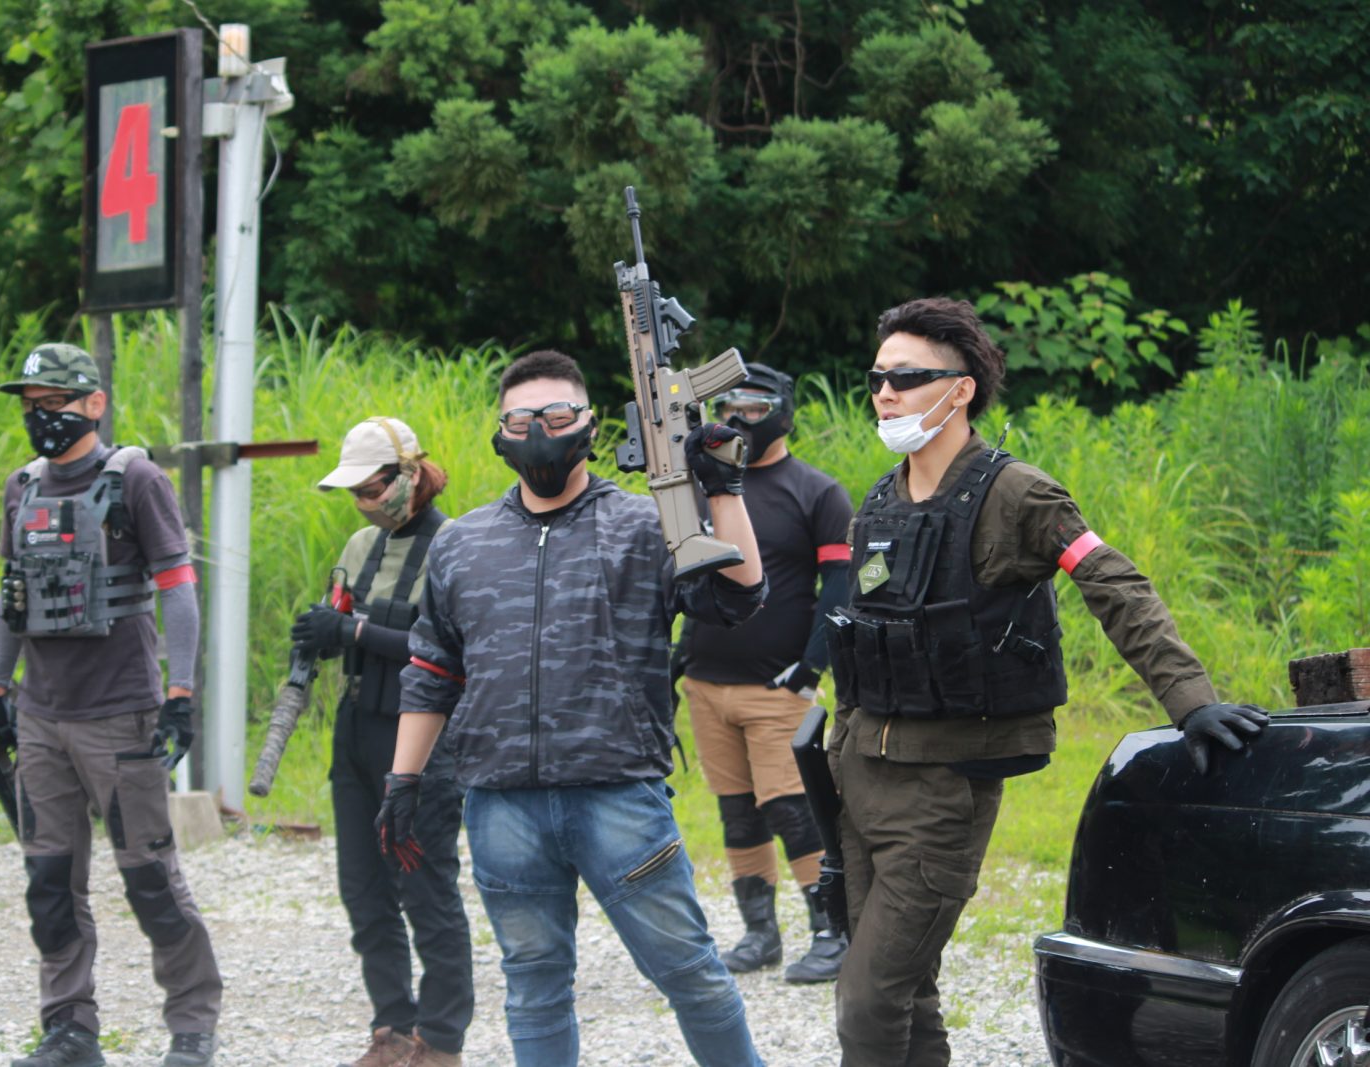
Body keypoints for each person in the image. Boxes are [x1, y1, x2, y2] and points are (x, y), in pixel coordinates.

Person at [825, 298, 1271, 1067]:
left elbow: (1115, 585)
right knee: (903, 989)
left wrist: (1191, 701)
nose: (885, 393)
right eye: (877, 378)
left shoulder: (1017, 496)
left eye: (905, 376)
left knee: (866, 1002)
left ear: (961, 389)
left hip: (943, 790)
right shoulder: (879, 500)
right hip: (862, 774)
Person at [375, 350, 770, 1067]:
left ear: (590, 425)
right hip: (500, 805)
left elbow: (737, 599)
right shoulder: (462, 543)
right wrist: (403, 779)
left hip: (618, 796)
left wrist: (725, 490)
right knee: (533, 988)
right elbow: (432, 670)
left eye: (557, 416)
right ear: (500, 432)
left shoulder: (645, 524)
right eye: (521, 419)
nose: (539, 432)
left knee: (691, 975)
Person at [0, 343, 221, 1067]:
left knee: (149, 878)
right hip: (42, 717)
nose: (40, 416)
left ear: (94, 404)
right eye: (31, 405)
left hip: (121, 716)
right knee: (50, 884)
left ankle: (192, 1026)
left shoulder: (136, 479)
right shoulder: (21, 488)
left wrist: (180, 693)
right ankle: (69, 1029)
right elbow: (9, 596)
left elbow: (178, 585)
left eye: (53, 402)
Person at [293, 418, 473, 1067]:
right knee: (364, 893)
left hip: (421, 738)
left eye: (373, 489)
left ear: (410, 474)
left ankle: (441, 1042)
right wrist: (323, 631)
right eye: (356, 493)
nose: (365, 503)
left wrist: (356, 632)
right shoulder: (360, 543)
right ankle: (391, 1032)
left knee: (426, 891)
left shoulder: (454, 545)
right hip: (356, 731)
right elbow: (341, 617)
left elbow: (451, 649)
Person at [678, 361, 854, 983]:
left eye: (756, 407)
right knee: (737, 812)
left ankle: (832, 931)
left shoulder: (817, 492)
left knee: (793, 810)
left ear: (783, 411)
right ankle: (760, 934)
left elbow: (842, 588)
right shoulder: (704, 488)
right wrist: (678, 658)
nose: (742, 418)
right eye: (732, 407)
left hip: (777, 688)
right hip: (707, 684)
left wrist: (810, 669)